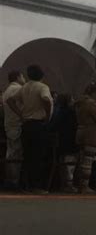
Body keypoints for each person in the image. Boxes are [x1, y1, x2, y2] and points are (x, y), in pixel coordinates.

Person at [7, 65, 53, 194]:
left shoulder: (25, 87)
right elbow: (46, 99)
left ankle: (24, 185)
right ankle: (36, 186)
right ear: (42, 76)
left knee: (27, 155)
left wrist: (21, 114)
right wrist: (48, 115)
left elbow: (10, 100)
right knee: (38, 156)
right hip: (38, 125)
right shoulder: (43, 87)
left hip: (26, 125)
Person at [75, 84, 96, 194]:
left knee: (82, 160)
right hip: (90, 133)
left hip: (80, 131)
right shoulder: (91, 103)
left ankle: (79, 185)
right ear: (94, 94)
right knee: (88, 161)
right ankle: (85, 186)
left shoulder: (79, 103)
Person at [49, 93, 78, 192]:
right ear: (68, 101)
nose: (74, 101)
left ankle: (62, 183)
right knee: (70, 164)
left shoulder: (57, 111)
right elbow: (75, 127)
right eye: (72, 99)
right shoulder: (71, 113)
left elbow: (52, 126)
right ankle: (68, 184)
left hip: (59, 142)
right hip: (70, 141)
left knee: (62, 164)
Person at [2, 70, 25, 190]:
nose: (24, 78)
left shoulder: (7, 90)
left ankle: (10, 180)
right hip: (16, 124)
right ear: (17, 77)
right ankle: (14, 181)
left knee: (11, 152)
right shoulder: (17, 89)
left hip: (9, 124)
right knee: (15, 153)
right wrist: (22, 115)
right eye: (22, 76)